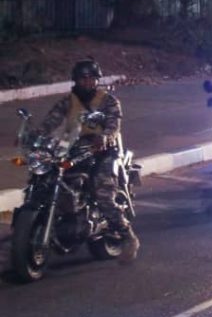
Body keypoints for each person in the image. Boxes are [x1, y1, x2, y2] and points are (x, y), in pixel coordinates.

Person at [37, 59, 139, 262]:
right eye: (84, 78)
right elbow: (51, 121)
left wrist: (105, 137)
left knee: (102, 193)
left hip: (104, 151)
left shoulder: (109, 101)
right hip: (74, 149)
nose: (88, 82)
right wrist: (37, 137)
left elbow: (113, 125)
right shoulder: (68, 101)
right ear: (75, 80)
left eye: (92, 78)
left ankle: (128, 236)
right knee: (44, 176)